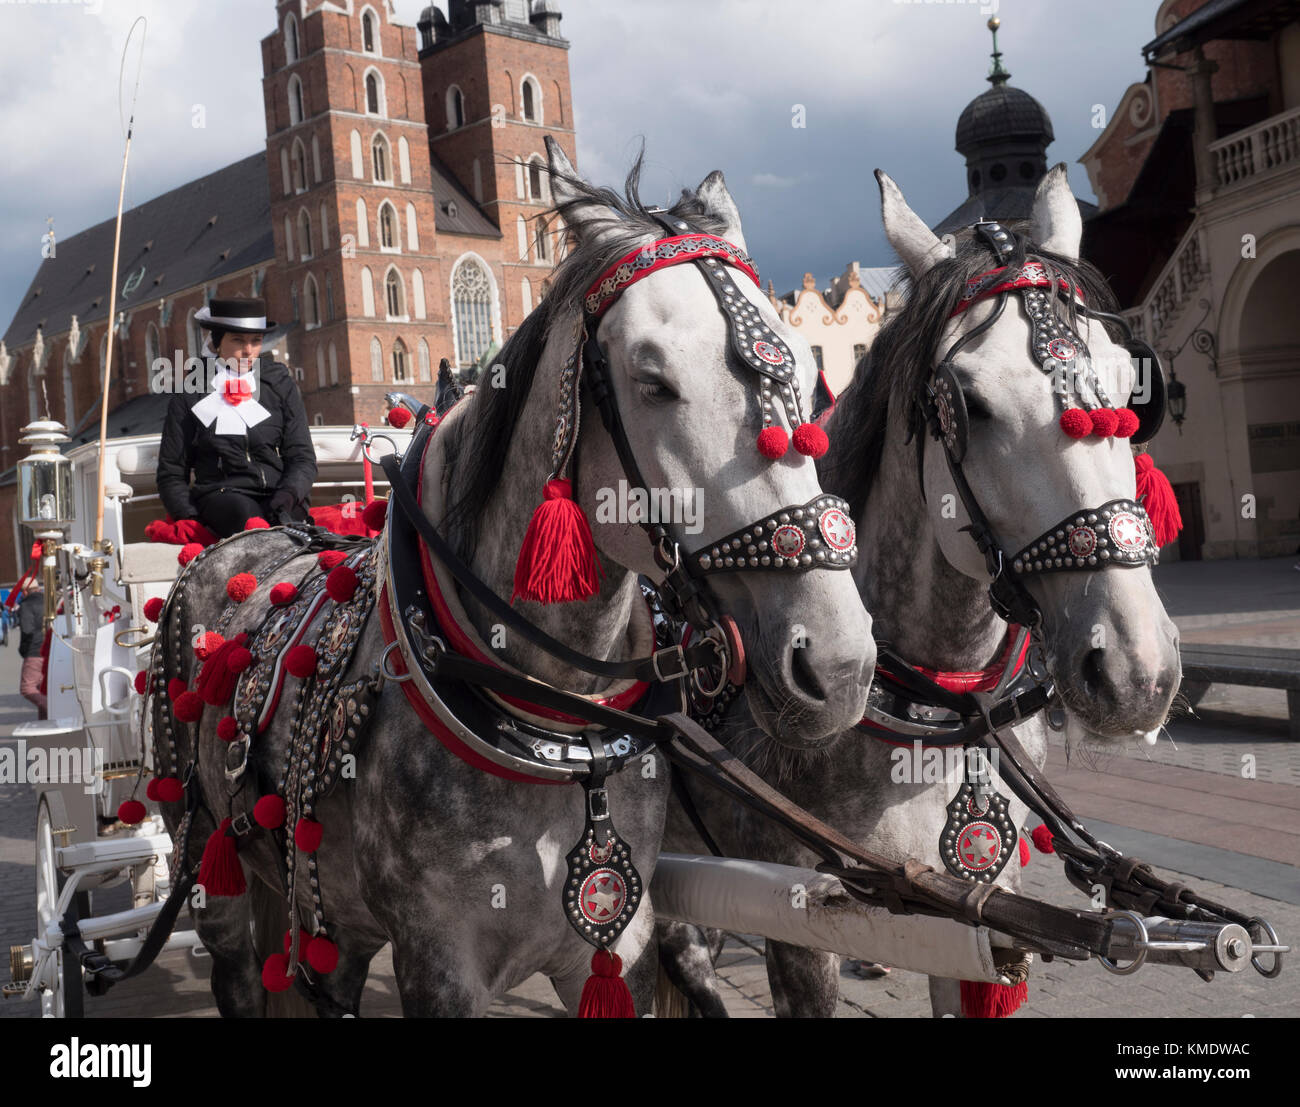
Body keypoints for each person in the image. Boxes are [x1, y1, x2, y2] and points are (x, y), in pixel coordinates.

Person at [156, 296, 317, 538]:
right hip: (222, 497)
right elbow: (171, 472)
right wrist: (190, 518)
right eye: (238, 340)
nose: (248, 350)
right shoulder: (189, 394)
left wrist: (288, 494)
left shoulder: (279, 383)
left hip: (281, 494)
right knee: (249, 518)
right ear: (217, 342)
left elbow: (302, 457)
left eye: (256, 341)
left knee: (295, 533)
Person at [18, 585, 47, 718]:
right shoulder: (48, 600)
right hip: (48, 649)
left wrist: (23, 650)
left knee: (27, 688)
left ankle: (51, 707)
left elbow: (27, 630)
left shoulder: (27, 604)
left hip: (34, 650)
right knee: (42, 689)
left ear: (25, 591)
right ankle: (45, 725)